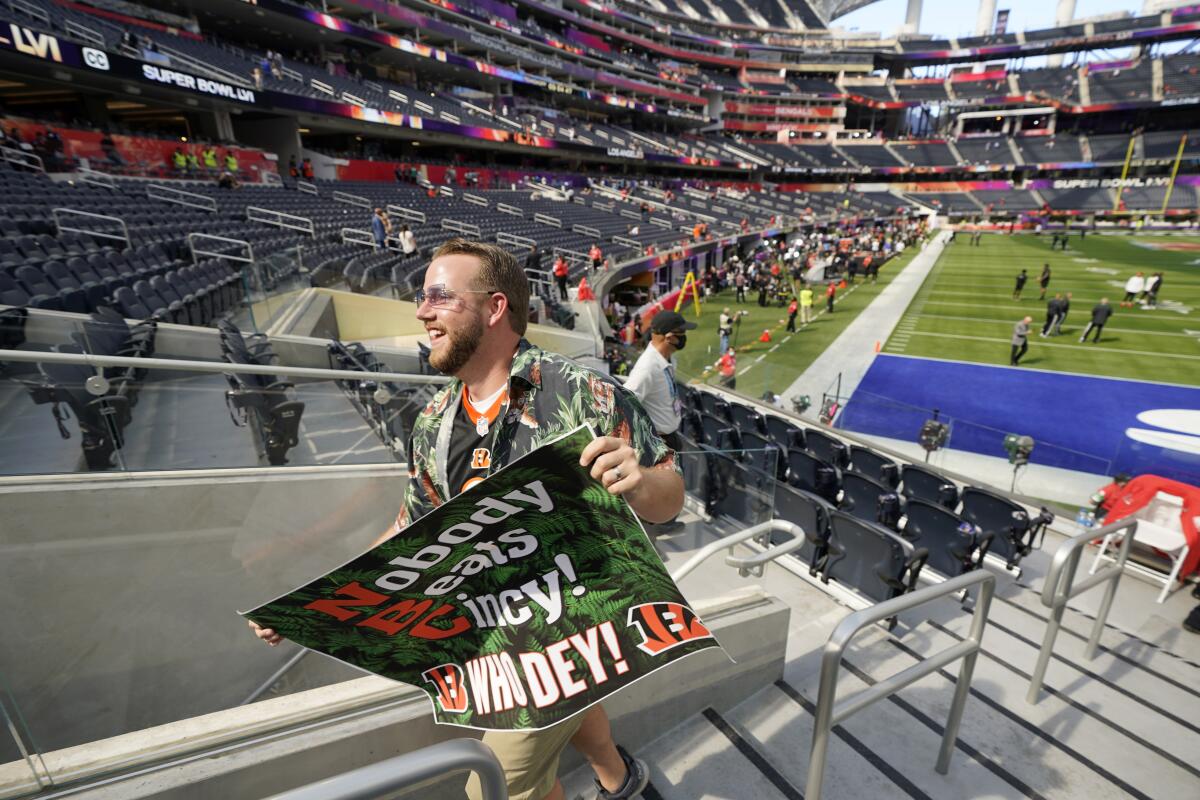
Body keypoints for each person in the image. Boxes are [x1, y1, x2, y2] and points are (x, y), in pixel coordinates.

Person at [250, 239, 676, 800]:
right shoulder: (432, 423)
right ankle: (623, 782)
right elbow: (411, 530)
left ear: (494, 308)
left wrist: (642, 483)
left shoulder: (581, 392)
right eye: (422, 298)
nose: (422, 311)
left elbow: (672, 494)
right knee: (561, 729)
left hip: (572, 630)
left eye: (439, 296)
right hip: (492, 629)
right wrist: (319, 602)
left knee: (492, 787)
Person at [626, 309, 694, 457]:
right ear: (669, 337)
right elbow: (625, 402)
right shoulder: (647, 367)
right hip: (659, 443)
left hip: (671, 437)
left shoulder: (667, 359)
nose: (685, 337)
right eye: (682, 333)